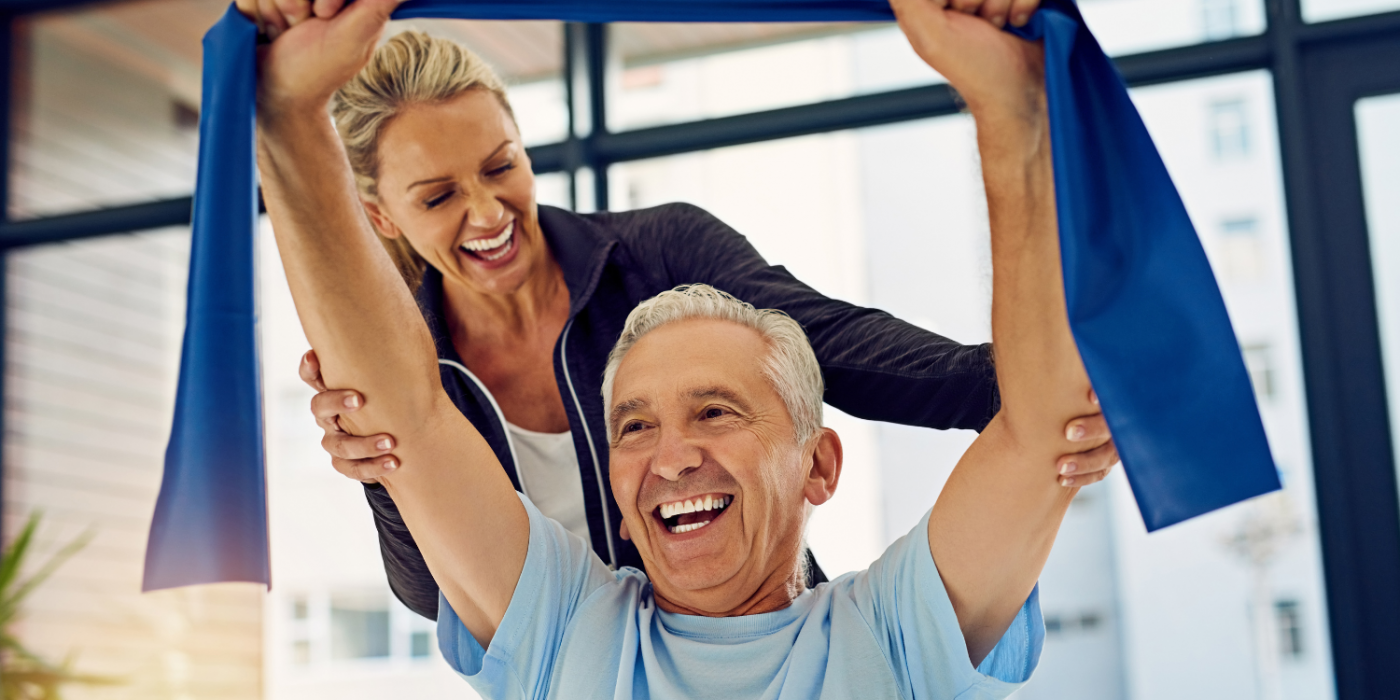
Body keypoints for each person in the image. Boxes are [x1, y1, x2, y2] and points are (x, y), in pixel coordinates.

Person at [252, 0, 1101, 696]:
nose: (671, 457)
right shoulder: (567, 631)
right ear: (385, 217)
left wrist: (1013, 102)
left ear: (820, 465)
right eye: (630, 428)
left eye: (715, 410)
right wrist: (287, 118)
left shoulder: (892, 632)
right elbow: (409, 425)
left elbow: (1012, 417)